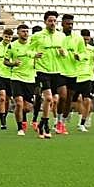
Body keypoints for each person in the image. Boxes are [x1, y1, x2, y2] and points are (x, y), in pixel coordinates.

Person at [29, 11, 65, 139]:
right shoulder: (37, 36)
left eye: (54, 21)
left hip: (56, 71)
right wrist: (33, 54)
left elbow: (65, 52)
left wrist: (64, 53)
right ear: (45, 22)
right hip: (42, 70)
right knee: (48, 98)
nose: (52, 23)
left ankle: (41, 123)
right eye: (50, 21)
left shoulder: (61, 36)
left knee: (54, 100)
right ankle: (46, 126)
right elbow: (29, 49)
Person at [4, 24, 36, 137]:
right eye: (23, 31)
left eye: (27, 31)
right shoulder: (12, 45)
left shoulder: (32, 45)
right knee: (19, 103)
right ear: (18, 33)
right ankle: (20, 128)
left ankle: (23, 117)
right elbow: (5, 61)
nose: (25, 33)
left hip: (30, 78)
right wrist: (13, 63)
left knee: (27, 108)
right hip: (16, 77)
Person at [56, 14, 85, 135]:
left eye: (72, 24)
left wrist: (79, 56)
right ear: (62, 24)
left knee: (69, 99)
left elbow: (83, 52)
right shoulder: (58, 36)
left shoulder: (78, 38)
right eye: (68, 24)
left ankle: (62, 123)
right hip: (60, 70)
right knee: (62, 96)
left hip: (73, 72)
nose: (70, 26)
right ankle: (58, 121)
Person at [74, 28, 94, 131]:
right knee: (74, 101)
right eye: (84, 39)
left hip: (88, 77)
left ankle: (82, 122)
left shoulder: (92, 49)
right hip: (75, 76)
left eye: (87, 39)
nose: (85, 41)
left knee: (87, 100)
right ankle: (66, 117)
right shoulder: (75, 48)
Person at [0, 26, 14, 129]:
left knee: (7, 99)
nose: (8, 39)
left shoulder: (13, 47)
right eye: (6, 36)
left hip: (10, 75)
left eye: (10, 37)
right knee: (2, 98)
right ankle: (2, 122)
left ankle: (4, 115)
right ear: (2, 36)